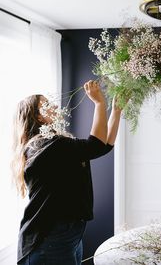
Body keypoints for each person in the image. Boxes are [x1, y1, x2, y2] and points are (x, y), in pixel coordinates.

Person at [11, 80, 122, 265]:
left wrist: (116, 110)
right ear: (38, 118)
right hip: (48, 239)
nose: (54, 105)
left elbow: (104, 147)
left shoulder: (55, 143)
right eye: (46, 105)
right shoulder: (45, 146)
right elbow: (95, 146)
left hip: (66, 234)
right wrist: (99, 103)